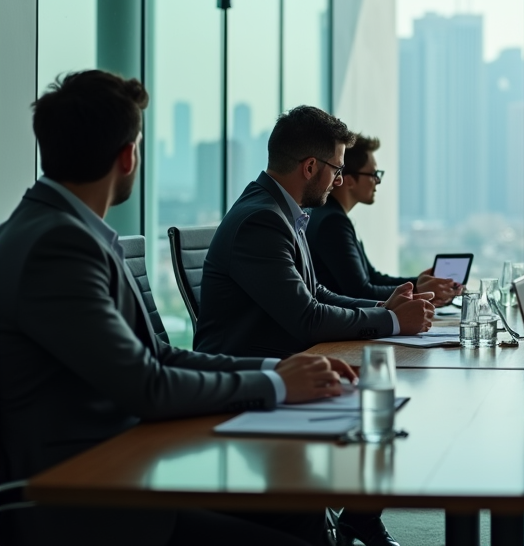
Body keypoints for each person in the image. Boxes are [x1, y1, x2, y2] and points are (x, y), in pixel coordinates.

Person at [0, 71, 356, 546]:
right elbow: (146, 384)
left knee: (300, 513)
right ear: (129, 156)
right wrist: (274, 383)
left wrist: (280, 370)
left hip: (125, 466)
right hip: (88, 496)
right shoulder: (59, 245)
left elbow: (158, 358)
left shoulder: (59, 229)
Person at [194, 107, 436, 361]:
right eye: (337, 170)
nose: (339, 181)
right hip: (248, 380)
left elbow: (315, 292)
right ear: (310, 167)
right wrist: (392, 319)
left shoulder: (282, 211)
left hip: (283, 364)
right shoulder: (262, 221)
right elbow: (308, 318)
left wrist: (383, 308)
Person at [306, 134, 460, 303]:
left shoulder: (329, 215)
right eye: (373, 174)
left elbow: (373, 278)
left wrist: (419, 283)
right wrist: (417, 289)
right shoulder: (333, 222)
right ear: (349, 181)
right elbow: (361, 292)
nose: (378, 181)